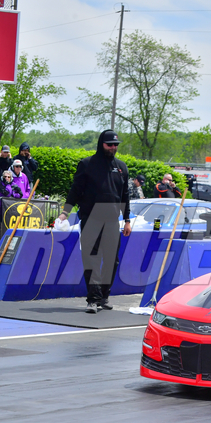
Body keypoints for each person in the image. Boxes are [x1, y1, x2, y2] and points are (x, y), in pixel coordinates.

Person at [56, 130, 131, 314]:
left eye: (115, 145)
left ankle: (104, 296)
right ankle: (93, 299)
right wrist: (65, 212)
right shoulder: (87, 164)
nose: (113, 148)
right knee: (91, 259)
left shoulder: (121, 167)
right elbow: (75, 190)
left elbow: (125, 195)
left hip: (112, 221)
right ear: (101, 144)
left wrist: (127, 220)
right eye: (109, 144)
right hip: (91, 219)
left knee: (112, 261)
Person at [0, 170, 21, 248]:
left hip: (7, 209)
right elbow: (7, 193)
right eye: (5, 177)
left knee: (7, 226)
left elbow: (20, 194)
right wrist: (9, 186)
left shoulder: (13, 184)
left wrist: (15, 193)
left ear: (11, 178)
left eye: (8, 177)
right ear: (2, 177)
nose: (7, 178)